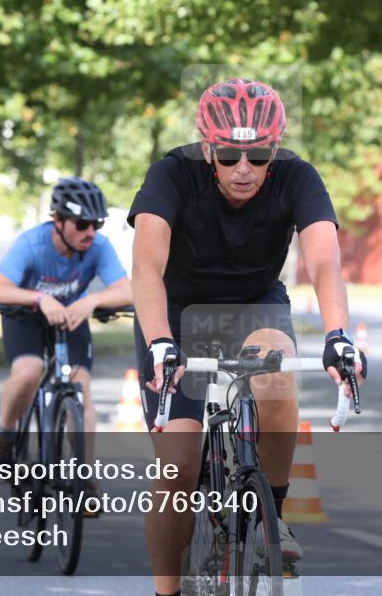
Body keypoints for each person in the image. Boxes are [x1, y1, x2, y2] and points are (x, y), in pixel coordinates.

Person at [128, 77, 366, 596]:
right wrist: (159, 343)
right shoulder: (171, 174)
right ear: (208, 147)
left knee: (277, 377)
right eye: (231, 155)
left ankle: (272, 515)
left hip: (255, 307)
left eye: (258, 156)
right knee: (179, 466)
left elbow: (325, 260)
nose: (244, 168)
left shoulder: (297, 177)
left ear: (274, 150)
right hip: (176, 314)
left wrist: (338, 335)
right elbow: (146, 265)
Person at [0, 178, 132, 503]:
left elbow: (127, 288)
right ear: (58, 220)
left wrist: (91, 301)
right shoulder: (32, 244)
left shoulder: (99, 246)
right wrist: (38, 299)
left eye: (96, 224)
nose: (90, 232)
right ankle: (5, 436)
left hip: (70, 316)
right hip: (26, 316)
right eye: (81, 224)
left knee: (82, 386)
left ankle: (85, 478)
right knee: (29, 370)